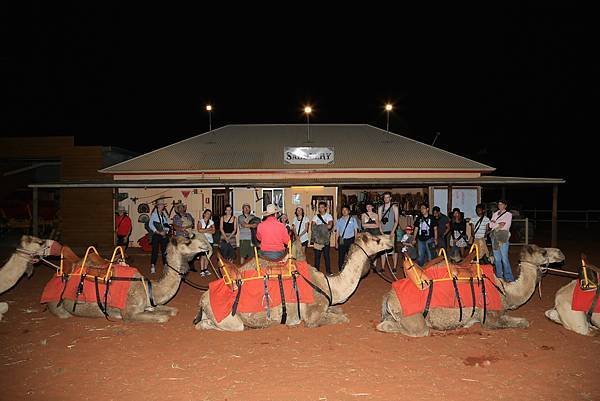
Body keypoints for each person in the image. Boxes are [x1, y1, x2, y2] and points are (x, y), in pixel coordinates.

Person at [489, 199, 514, 281]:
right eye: (499, 204)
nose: (500, 206)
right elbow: (490, 225)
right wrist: (498, 224)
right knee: (497, 258)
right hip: (494, 237)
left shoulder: (508, 214)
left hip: (503, 237)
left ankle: (509, 277)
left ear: (505, 205)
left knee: (504, 258)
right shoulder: (495, 214)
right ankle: (499, 276)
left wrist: (495, 223)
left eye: (501, 204)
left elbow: (506, 226)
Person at [310, 201, 334, 275]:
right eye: (319, 207)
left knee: (326, 256)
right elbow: (312, 227)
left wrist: (319, 226)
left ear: (326, 208)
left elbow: (330, 226)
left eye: (322, 207)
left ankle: (328, 271)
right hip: (317, 240)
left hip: (326, 240)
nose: (321, 209)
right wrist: (324, 227)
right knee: (317, 256)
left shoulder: (329, 216)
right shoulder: (315, 216)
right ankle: (316, 271)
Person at [334, 206, 360, 272]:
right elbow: (337, 232)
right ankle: (341, 270)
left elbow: (355, 231)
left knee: (351, 256)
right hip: (342, 240)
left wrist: (356, 241)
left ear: (349, 211)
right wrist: (336, 242)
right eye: (343, 210)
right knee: (341, 256)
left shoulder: (353, 219)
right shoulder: (339, 220)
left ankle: (351, 270)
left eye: (346, 210)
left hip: (351, 240)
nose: (344, 211)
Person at [378, 192, 399, 272]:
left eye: (387, 197)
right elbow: (379, 220)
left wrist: (392, 232)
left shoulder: (394, 207)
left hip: (391, 231)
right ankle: (383, 267)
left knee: (394, 250)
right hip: (383, 231)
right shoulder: (380, 208)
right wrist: (381, 230)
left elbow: (396, 221)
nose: (386, 199)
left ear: (390, 198)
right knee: (383, 250)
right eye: (385, 197)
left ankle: (394, 267)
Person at [148, 199, 171, 274]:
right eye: (160, 205)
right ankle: (152, 266)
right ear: (157, 206)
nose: (162, 206)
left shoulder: (164, 214)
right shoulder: (154, 214)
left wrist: (166, 231)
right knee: (155, 250)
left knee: (164, 251)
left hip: (163, 235)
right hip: (156, 235)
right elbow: (150, 224)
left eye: (162, 205)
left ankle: (165, 265)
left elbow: (166, 224)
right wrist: (157, 231)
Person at [197, 209, 215, 277]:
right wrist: (208, 229)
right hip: (202, 240)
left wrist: (204, 230)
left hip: (210, 240)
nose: (208, 215)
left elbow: (213, 231)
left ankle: (205, 269)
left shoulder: (211, 222)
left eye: (209, 214)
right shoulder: (200, 221)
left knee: (208, 255)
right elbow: (199, 230)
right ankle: (202, 270)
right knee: (203, 255)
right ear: (204, 214)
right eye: (207, 213)